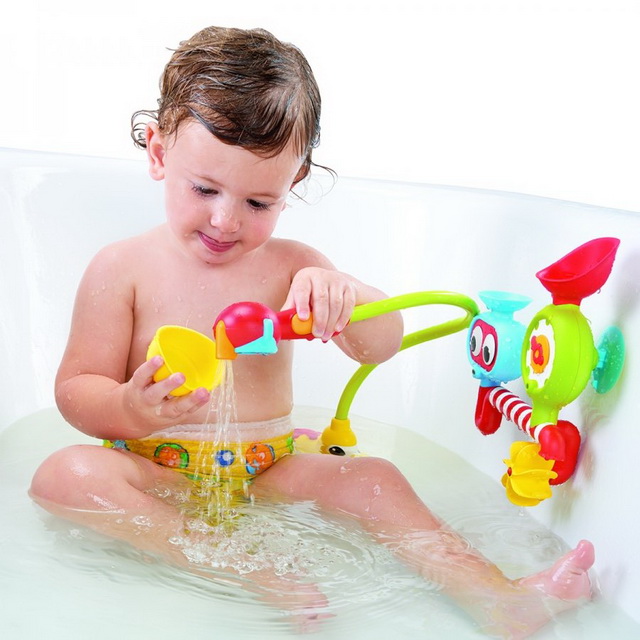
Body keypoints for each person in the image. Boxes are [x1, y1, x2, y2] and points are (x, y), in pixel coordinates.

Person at [30, 26, 594, 638]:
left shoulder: (295, 268)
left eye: (258, 203)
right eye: (205, 189)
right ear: (159, 153)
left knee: (376, 479)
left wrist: (346, 295)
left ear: (293, 182)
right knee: (66, 475)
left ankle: (496, 597)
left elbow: (381, 347)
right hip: (153, 469)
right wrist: (129, 409)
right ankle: (242, 568)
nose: (225, 219)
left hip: (269, 468)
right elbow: (76, 389)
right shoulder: (122, 269)